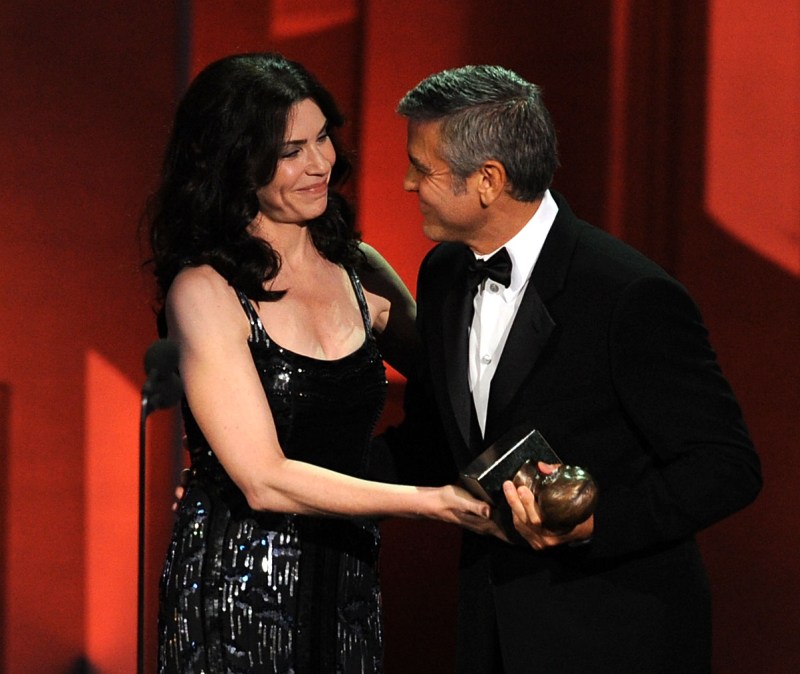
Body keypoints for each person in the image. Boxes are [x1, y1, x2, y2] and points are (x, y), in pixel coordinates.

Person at [382, 64, 763, 673]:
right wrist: (280, 468)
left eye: (421, 169)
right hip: (491, 632)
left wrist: (593, 523)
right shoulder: (444, 274)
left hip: (616, 637)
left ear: (488, 180)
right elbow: (435, 443)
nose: (407, 183)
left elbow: (726, 467)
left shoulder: (627, 294)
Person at [146, 52, 494, 674]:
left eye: (323, 138)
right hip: (242, 591)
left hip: (348, 577)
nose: (318, 164)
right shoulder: (204, 290)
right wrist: (432, 502)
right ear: (234, 162)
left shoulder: (359, 269)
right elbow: (264, 478)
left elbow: (458, 383)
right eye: (290, 151)